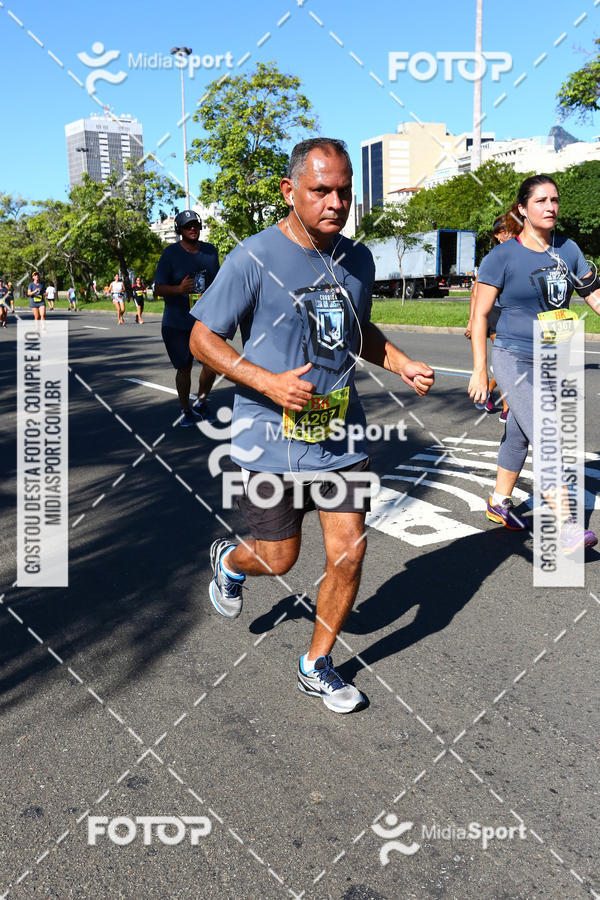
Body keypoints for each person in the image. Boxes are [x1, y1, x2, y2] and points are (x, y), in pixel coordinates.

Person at [189, 138, 435, 714]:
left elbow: (358, 330)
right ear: (290, 191)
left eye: (344, 191)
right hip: (268, 438)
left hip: (341, 432)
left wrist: (399, 362)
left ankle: (316, 663)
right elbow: (203, 339)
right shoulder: (253, 256)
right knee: (279, 558)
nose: (335, 202)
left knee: (348, 553)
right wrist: (267, 382)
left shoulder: (359, 258)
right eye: (320, 190)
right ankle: (230, 560)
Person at [468, 173, 599, 551]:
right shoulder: (502, 256)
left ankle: (498, 501)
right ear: (522, 209)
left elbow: (593, 296)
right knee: (544, 433)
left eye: (555, 200)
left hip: (555, 357)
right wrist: (480, 368)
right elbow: (480, 316)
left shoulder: (569, 250)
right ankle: (568, 527)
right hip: (513, 356)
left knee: (520, 432)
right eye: (541, 201)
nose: (551, 207)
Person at [154, 210, 220, 426]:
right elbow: (157, 289)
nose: (193, 228)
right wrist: (179, 289)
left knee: (211, 364)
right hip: (177, 322)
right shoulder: (170, 254)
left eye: (195, 225)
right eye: (187, 226)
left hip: (205, 320)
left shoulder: (211, 252)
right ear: (179, 230)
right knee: (184, 368)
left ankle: (201, 402)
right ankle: (185, 409)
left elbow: (219, 282)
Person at [466, 216, 512, 421]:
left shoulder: (521, 253)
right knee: (507, 361)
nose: (509, 233)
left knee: (512, 362)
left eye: (512, 229)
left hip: (513, 315)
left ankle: (488, 393)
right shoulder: (492, 258)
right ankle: (507, 409)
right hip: (494, 314)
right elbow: (476, 291)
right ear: (497, 235)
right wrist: (471, 320)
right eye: (504, 230)